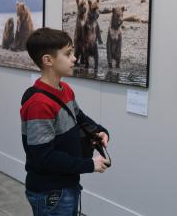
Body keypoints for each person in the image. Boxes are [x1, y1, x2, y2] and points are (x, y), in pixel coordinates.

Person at [20, 27, 110, 215]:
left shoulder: (65, 89)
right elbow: (43, 156)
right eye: (68, 54)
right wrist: (89, 165)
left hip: (67, 184)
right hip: (51, 192)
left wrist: (98, 131)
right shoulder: (38, 104)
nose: (74, 59)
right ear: (48, 60)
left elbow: (79, 117)